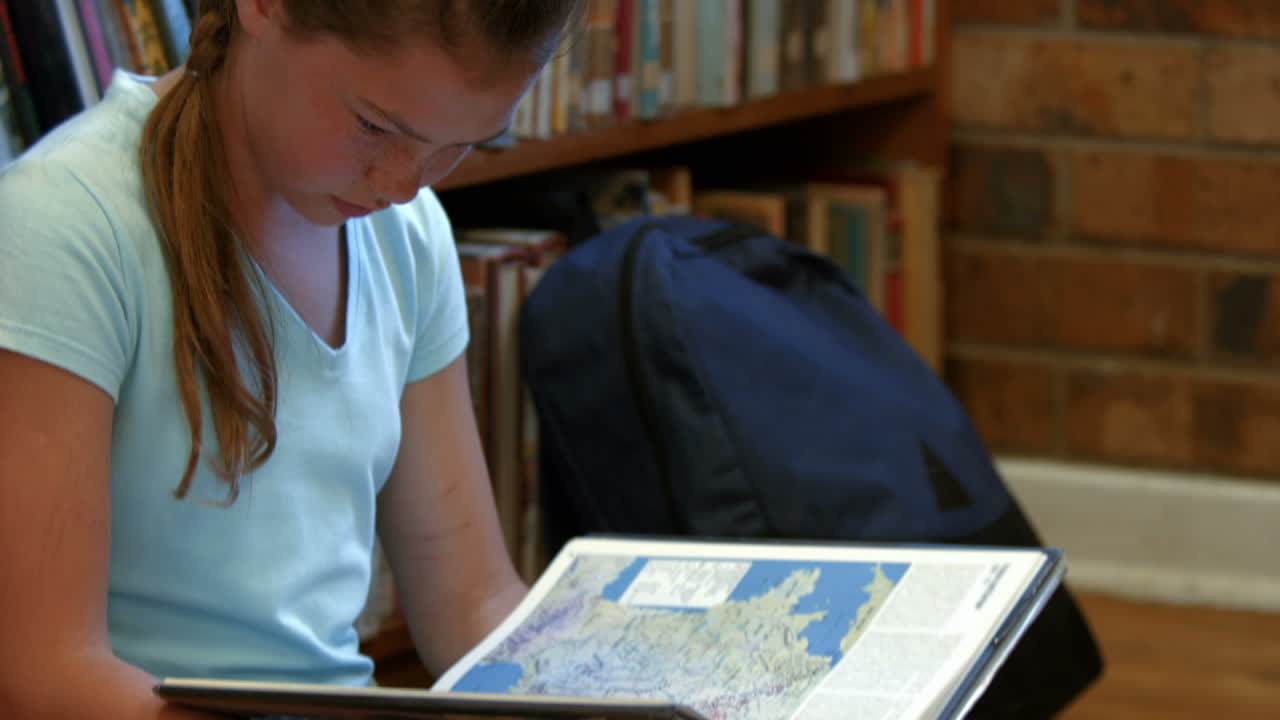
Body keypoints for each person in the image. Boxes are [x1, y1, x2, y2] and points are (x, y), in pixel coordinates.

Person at [0, 0, 584, 717]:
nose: (404, 184)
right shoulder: (65, 227)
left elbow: (474, 601)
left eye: (463, 144)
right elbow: (39, 675)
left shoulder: (409, 237)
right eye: (375, 126)